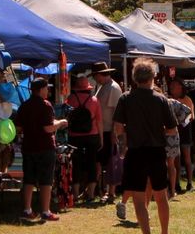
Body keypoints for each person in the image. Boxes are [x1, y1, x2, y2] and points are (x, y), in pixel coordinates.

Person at [113, 58, 178, 234]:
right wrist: (159, 132)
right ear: (152, 77)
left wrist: (123, 146)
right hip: (156, 151)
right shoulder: (161, 99)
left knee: (139, 200)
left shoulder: (126, 99)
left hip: (135, 152)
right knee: (161, 197)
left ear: (134, 78)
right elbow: (173, 129)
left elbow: (118, 128)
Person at [15, 78, 67, 222]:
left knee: (29, 180)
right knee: (46, 181)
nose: (48, 91)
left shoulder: (24, 106)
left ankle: (27, 210)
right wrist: (61, 123)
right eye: (46, 88)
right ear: (41, 89)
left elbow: (18, 128)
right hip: (44, 147)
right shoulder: (45, 105)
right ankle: (45, 210)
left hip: (28, 147)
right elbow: (48, 127)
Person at [66, 74, 103, 203]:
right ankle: (91, 194)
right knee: (92, 164)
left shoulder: (70, 99)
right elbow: (99, 121)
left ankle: (75, 194)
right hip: (92, 135)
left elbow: (67, 119)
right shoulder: (94, 100)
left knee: (75, 164)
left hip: (74, 137)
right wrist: (101, 138)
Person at [91, 62, 123, 205]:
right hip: (101, 130)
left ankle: (111, 192)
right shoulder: (102, 87)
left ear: (99, 75)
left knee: (111, 162)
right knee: (102, 162)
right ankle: (101, 189)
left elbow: (117, 113)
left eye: (95, 75)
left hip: (109, 130)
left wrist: (114, 132)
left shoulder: (113, 88)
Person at [168, 79, 195, 195]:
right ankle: (176, 183)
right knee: (175, 160)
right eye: (171, 86)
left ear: (180, 87)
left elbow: (191, 116)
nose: (172, 88)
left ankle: (190, 182)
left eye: (174, 85)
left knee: (187, 157)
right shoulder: (168, 99)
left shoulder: (187, 99)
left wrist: (182, 120)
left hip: (185, 131)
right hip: (173, 132)